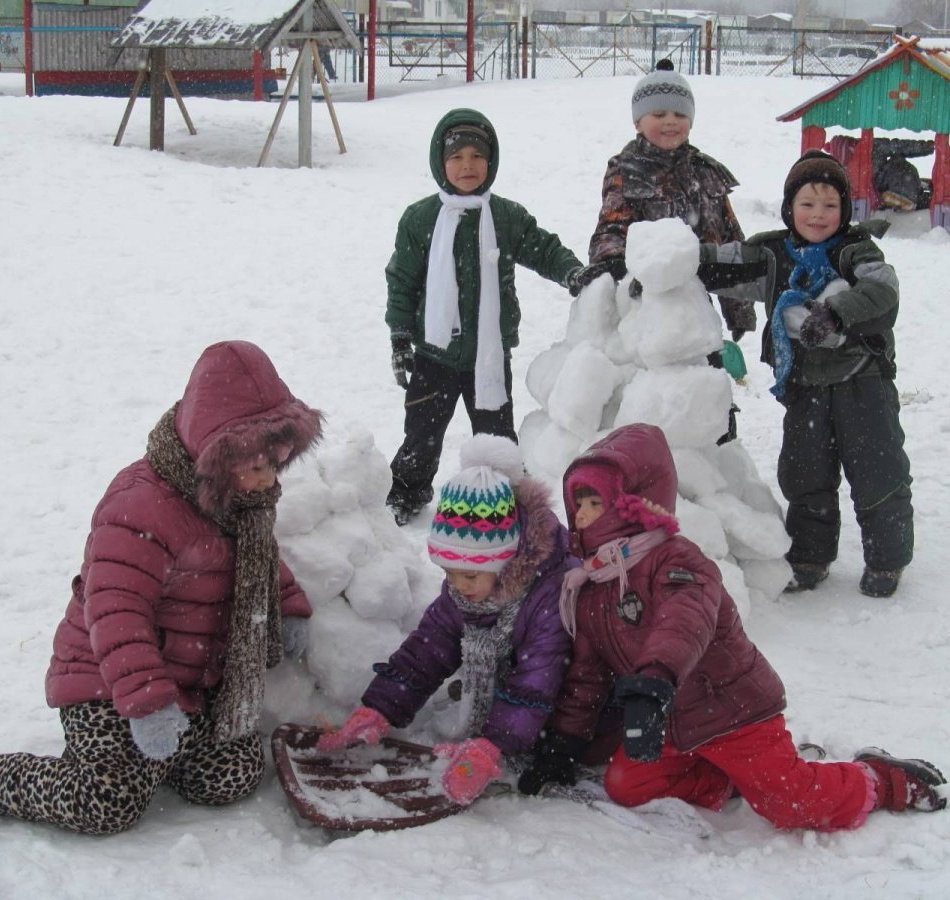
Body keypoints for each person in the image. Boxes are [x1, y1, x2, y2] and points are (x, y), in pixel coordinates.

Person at [0, 341, 324, 835]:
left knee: (233, 775)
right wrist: (149, 703)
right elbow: (116, 616)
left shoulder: (237, 501)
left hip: (186, 687)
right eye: (256, 466)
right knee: (109, 801)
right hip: (104, 683)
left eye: (276, 462)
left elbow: (254, 562)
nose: (267, 481)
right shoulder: (140, 509)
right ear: (215, 453)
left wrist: (288, 603)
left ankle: (153, 760)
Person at [517, 423, 947, 830]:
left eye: (598, 503)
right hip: (673, 723)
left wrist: (654, 679)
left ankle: (880, 780)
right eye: (580, 505)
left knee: (791, 803)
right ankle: (732, 779)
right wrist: (565, 742)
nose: (586, 516)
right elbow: (588, 676)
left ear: (635, 503)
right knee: (629, 785)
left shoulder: (677, 560)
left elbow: (684, 621)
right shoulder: (592, 584)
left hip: (732, 712)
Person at [697, 150, 913, 598]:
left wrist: (836, 313)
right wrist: (670, 265)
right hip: (804, 387)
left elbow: (882, 292)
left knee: (878, 470)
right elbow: (720, 262)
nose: (818, 215)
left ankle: (887, 560)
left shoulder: (857, 250)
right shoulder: (774, 253)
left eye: (830, 205)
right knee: (805, 473)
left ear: (846, 210)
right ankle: (811, 557)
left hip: (861, 382)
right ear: (789, 208)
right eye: (807, 204)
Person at [320, 435, 578, 806]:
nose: (457, 586)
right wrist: (378, 709)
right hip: (518, 696)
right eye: (448, 572)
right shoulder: (467, 589)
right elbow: (427, 651)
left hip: (567, 711)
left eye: (469, 576)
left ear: (504, 561)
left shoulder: (548, 594)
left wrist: (492, 746)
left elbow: (537, 681)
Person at [384, 107, 586, 526]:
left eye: (477, 156)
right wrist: (400, 337)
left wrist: (571, 271)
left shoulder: (506, 217)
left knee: (496, 438)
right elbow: (401, 280)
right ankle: (406, 494)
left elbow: (543, 248)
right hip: (433, 356)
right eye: (457, 157)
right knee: (421, 437)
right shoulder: (420, 219)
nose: (467, 166)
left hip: (488, 357)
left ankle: (506, 501)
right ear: (440, 164)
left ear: (491, 162)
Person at [571, 59, 755, 348]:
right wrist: (613, 264)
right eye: (659, 113)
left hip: (697, 306)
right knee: (658, 386)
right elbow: (612, 228)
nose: (671, 121)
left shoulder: (706, 171)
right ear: (638, 122)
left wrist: (739, 307)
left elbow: (731, 240)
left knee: (704, 379)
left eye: (680, 114)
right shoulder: (626, 170)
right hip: (645, 304)